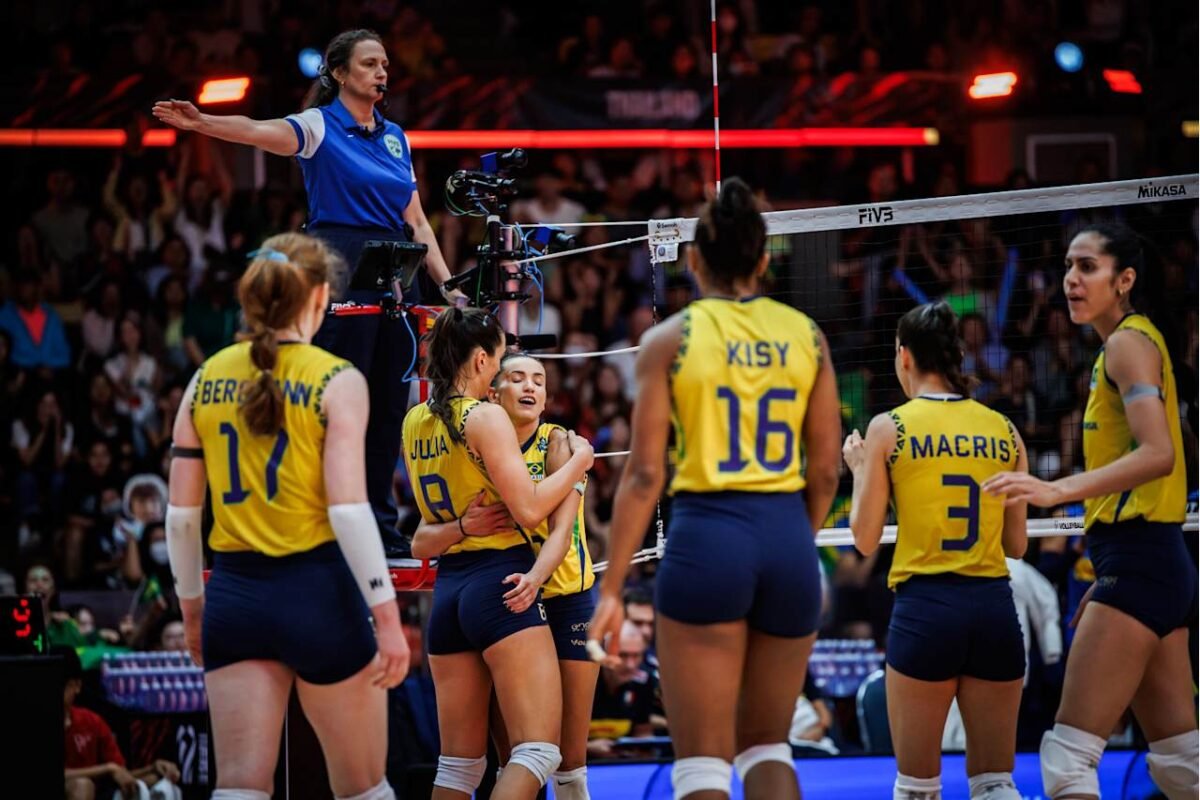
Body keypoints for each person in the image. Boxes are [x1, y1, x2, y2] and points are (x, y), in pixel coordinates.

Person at [154, 28, 465, 556]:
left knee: (388, 408)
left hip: (397, 271)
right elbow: (257, 131)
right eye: (369, 63)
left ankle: (379, 528)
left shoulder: (396, 137)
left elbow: (417, 222)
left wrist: (449, 287)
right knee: (339, 402)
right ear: (339, 73)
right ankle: (325, 524)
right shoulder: (319, 125)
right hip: (339, 264)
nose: (382, 72)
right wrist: (202, 122)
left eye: (384, 64)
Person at [588, 177, 842, 800]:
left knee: (702, 763)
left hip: (707, 538)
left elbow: (644, 475)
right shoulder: (807, 335)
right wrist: (792, 540)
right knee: (768, 748)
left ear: (695, 260)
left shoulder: (668, 339)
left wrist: (613, 588)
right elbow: (826, 471)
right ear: (762, 259)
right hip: (786, 537)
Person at [165, 232, 409, 800]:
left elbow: (181, 519)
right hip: (319, 594)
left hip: (234, 597)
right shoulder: (338, 379)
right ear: (321, 297)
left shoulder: (204, 378)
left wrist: (193, 609)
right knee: (365, 790)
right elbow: (349, 511)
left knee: (239, 789)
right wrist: (387, 615)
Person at [983, 223, 1198, 800]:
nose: (1071, 280)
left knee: (1068, 761)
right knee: (1183, 766)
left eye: (1087, 267)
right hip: (1152, 565)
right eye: (1067, 267)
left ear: (1124, 280)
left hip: (1141, 562)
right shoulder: (1132, 342)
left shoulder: (1128, 344)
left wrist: (1056, 491)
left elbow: (1158, 453)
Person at [401, 308, 593, 800]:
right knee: (538, 752)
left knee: (458, 767)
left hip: (451, 589)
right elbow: (528, 510)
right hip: (500, 584)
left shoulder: (415, 418)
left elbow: (422, 534)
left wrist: (462, 526)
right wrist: (581, 465)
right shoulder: (485, 418)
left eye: (538, 380)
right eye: (508, 365)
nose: (526, 384)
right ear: (483, 361)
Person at [842, 301, 1030, 800]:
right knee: (995, 782)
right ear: (956, 357)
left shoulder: (889, 427)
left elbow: (864, 539)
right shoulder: (1004, 429)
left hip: (926, 612)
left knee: (918, 788)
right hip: (993, 610)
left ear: (904, 356)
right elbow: (1016, 544)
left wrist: (860, 470)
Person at [59, 645, 183, 800]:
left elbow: (121, 772)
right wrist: (108, 768)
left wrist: (153, 767)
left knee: (154, 780)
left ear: (77, 686)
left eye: (61, 685)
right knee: (82, 785)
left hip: (100, 793)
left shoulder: (92, 721)